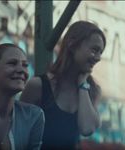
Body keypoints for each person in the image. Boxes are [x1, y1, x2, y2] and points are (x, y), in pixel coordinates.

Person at [20, 20, 106, 150]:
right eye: (94, 50)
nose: (98, 57)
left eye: (101, 52)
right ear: (72, 44)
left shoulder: (93, 90)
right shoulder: (38, 86)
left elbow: (87, 129)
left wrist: (83, 84)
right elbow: (19, 135)